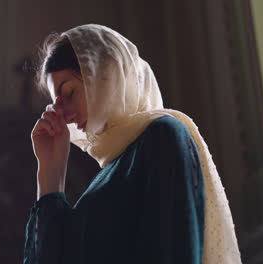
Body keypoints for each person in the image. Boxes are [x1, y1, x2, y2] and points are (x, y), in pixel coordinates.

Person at [23, 24, 241, 264]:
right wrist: (50, 174)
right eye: (56, 102)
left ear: (107, 72)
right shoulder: (107, 175)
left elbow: (174, 250)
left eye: (70, 93)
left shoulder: (162, 136)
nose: (63, 113)